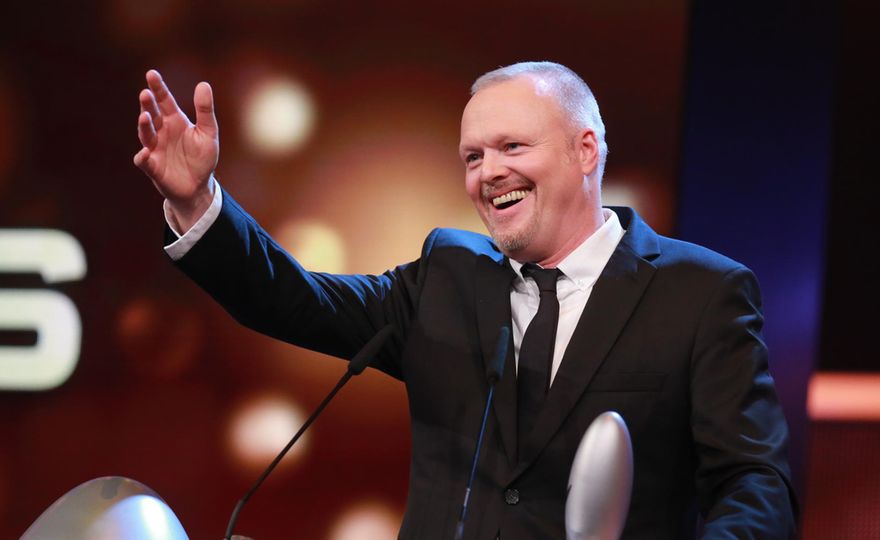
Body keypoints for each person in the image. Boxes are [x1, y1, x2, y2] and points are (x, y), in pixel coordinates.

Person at [134, 61, 797, 538]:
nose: (489, 173)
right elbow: (291, 300)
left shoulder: (700, 293)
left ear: (584, 150)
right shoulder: (448, 277)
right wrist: (197, 204)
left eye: (512, 146)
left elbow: (755, 484)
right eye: (473, 156)